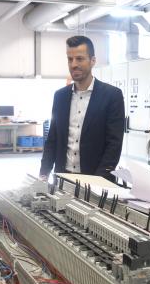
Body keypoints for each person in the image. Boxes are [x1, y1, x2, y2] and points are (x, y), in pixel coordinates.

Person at [39, 36, 125, 182]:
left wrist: (98, 182)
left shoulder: (112, 96)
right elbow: (52, 139)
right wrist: (43, 173)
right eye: (70, 59)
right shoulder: (60, 96)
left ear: (93, 61)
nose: (73, 64)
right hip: (63, 178)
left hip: (96, 179)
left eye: (79, 59)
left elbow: (114, 145)